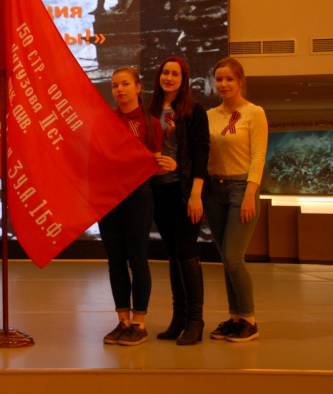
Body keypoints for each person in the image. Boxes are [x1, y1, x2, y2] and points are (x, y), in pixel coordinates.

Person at [204, 57, 267, 343]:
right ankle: (235, 318)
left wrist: (250, 193)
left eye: (229, 79)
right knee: (225, 259)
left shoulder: (254, 112)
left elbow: (258, 155)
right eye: (219, 79)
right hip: (214, 190)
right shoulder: (209, 115)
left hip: (242, 189)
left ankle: (250, 321)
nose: (224, 84)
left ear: (240, 81)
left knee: (233, 257)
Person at [100, 66, 164, 347]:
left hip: (138, 196)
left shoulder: (152, 123)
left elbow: (156, 161)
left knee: (137, 260)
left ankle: (139, 323)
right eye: (115, 85)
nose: (119, 89)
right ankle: (122, 321)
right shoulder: (106, 121)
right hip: (109, 197)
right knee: (115, 261)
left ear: (138, 87)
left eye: (125, 84)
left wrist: (167, 165)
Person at [148, 57, 210, 345]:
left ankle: (196, 321)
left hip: (185, 191)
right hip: (158, 191)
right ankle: (179, 318)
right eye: (165, 72)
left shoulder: (194, 111)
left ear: (183, 79)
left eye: (175, 74)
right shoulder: (149, 111)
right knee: (173, 254)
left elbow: (201, 153)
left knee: (186, 252)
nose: (169, 78)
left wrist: (196, 193)